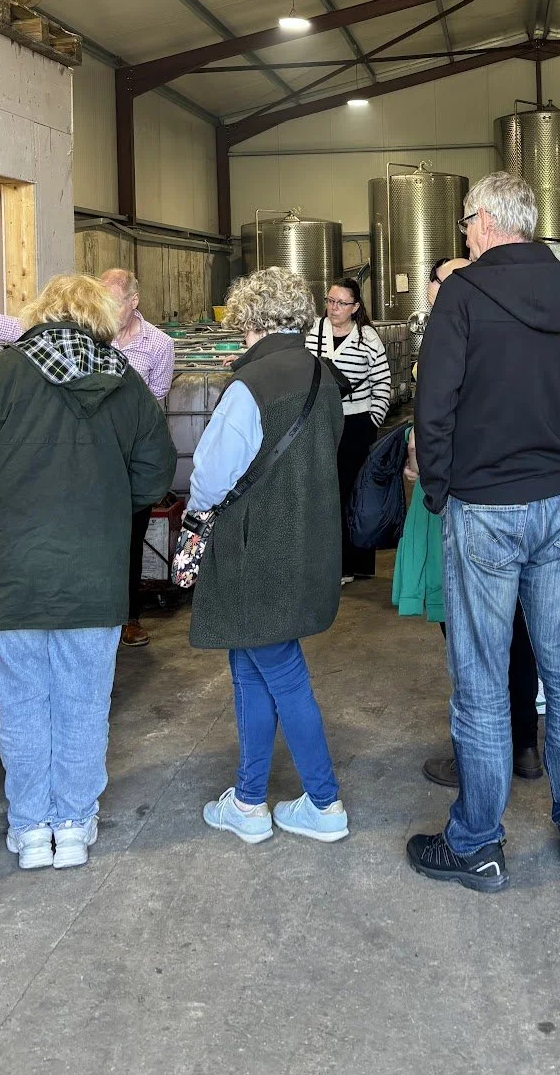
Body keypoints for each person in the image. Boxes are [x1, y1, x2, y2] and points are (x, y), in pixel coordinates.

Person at [0, 274, 175, 870]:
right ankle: (75, 823)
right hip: (92, 576)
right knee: (83, 704)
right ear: (100, 319)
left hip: (5, 574)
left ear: (40, 314)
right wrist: (106, 500)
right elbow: (155, 474)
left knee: (22, 705)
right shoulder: (125, 382)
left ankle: (31, 829)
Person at [407, 173, 560, 892]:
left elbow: (434, 405)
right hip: (553, 503)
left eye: (466, 221)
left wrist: (439, 489)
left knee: (482, 678)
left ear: (488, 221)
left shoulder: (462, 294)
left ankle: (477, 844)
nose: (463, 232)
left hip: (484, 505)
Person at [192, 267, 351, 848]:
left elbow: (211, 477)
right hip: (309, 539)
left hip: (254, 549)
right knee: (250, 666)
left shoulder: (249, 385)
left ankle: (325, 802)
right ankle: (249, 800)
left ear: (250, 319)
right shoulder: (323, 375)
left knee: (281, 671)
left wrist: (199, 512)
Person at [0, 267, 175, 649]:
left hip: (12, 579)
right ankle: (120, 614)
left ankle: (131, 616)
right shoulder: (124, 376)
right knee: (84, 686)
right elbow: (158, 464)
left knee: (22, 695)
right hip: (94, 555)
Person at [396, 258, 545, 786]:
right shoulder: (509, 329)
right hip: (515, 492)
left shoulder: (452, 334)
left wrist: (430, 475)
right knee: (514, 627)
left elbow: (437, 419)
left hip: (461, 497)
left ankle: (481, 759)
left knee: (470, 635)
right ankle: (524, 745)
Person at [305, 277, 392, 582]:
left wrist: (372, 420)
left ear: (355, 307)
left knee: (355, 493)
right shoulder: (314, 331)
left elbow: (383, 382)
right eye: (330, 301)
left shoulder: (367, 338)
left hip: (356, 425)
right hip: (321, 423)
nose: (334, 308)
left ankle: (355, 564)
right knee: (326, 493)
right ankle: (330, 563)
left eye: (341, 303)